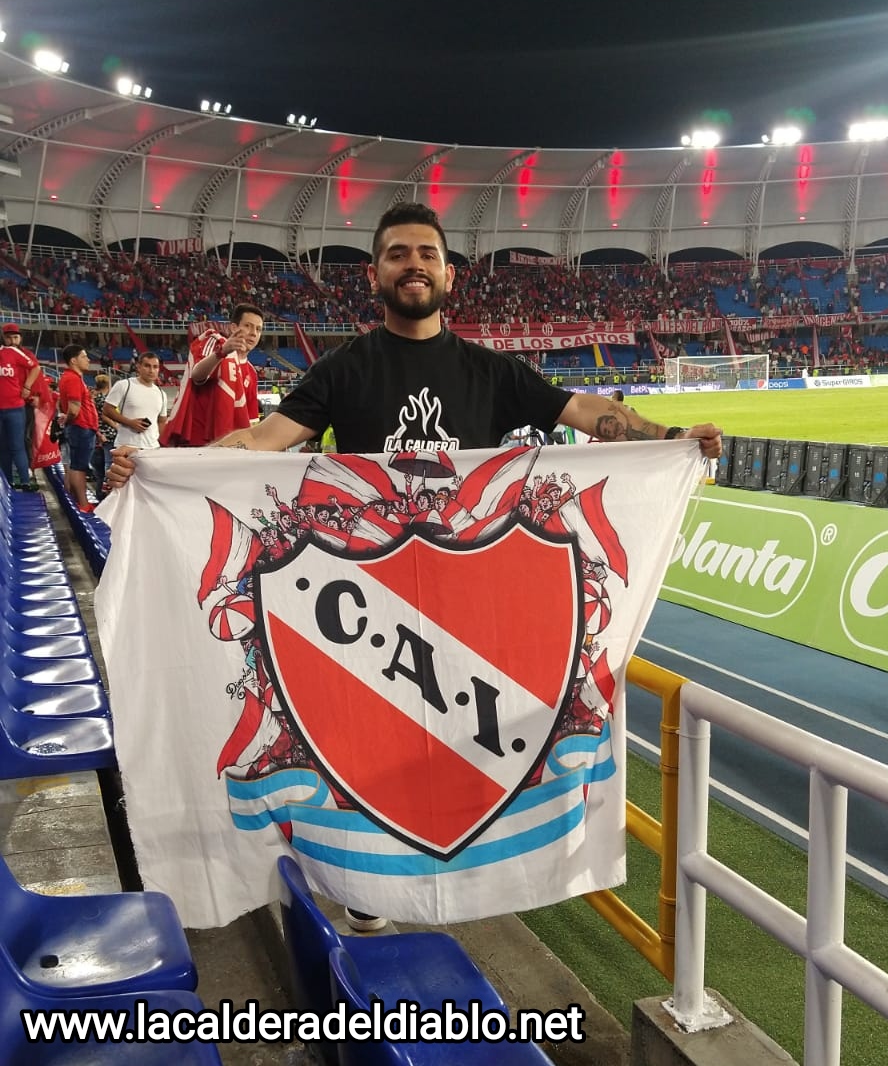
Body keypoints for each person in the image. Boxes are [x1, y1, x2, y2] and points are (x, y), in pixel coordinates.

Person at [107, 201, 722, 932]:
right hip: (369, 602)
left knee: (457, 744)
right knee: (374, 738)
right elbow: (267, 439)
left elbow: (585, 413)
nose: (413, 265)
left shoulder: (489, 371)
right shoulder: (345, 367)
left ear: (449, 275)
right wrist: (161, 467)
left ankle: (459, 872)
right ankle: (369, 889)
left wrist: (672, 436)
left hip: (468, 603)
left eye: (426, 254)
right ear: (375, 273)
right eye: (397, 254)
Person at [161, 305, 263, 447]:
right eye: (248, 326)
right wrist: (223, 352)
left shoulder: (251, 372)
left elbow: (250, 422)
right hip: (196, 442)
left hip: (228, 447)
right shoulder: (215, 343)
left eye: (258, 329)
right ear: (234, 328)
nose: (253, 333)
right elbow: (196, 375)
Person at [58, 342, 99, 512]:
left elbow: (63, 404)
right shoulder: (73, 379)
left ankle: (79, 502)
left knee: (77, 465)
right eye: (84, 356)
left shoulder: (70, 378)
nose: (88, 359)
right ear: (74, 360)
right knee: (79, 467)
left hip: (80, 427)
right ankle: (82, 504)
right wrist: (68, 419)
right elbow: (74, 409)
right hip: (81, 427)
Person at [0, 322, 41, 489]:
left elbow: (35, 367)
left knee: (17, 446)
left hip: (15, 408)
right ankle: (7, 484)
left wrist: (27, 387)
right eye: (8, 336)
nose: (11, 339)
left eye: (14, 336)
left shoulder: (12, 353)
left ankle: (25, 481)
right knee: (2, 448)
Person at [103, 353, 168, 450]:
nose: (151, 370)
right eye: (147, 366)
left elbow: (162, 421)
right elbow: (107, 410)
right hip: (126, 446)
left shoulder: (161, 394)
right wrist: (129, 422)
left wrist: (158, 442)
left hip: (152, 447)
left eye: (155, 367)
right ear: (138, 367)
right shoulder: (124, 385)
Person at [92, 373, 118, 489]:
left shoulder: (94, 397)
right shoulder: (103, 400)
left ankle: (102, 485)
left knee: (101, 462)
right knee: (109, 460)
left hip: (100, 432)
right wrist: (116, 426)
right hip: (108, 433)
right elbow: (104, 416)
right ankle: (107, 484)